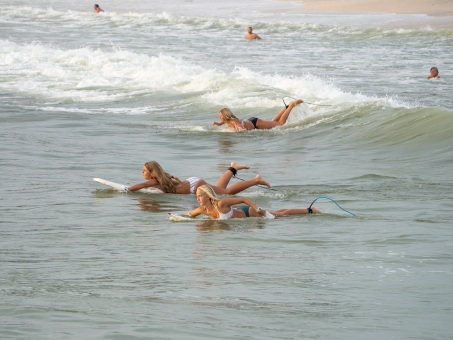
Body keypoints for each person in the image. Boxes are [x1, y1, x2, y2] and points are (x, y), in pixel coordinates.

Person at [184, 184, 321, 220]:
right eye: (197, 197)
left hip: (249, 213)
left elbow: (243, 199)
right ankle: (309, 210)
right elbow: (188, 215)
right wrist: (172, 217)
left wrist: (257, 208)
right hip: (245, 218)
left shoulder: (221, 204)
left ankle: (310, 210)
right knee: (277, 213)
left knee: (281, 216)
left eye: (200, 196)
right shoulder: (203, 210)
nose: (198, 199)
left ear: (208, 196)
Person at [127, 161, 271, 194]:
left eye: (144, 170)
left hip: (194, 187)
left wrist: (127, 189)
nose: (142, 173)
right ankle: (233, 167)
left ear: (152, 173)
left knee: (226, 193)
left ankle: (256, 180)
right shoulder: (161, 179)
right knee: (221, 189)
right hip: (192, 183)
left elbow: (141, 186)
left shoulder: (155, 181)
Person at [212, 99, 304, 131]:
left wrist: (240, 133)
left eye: (220, 116)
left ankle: (291, 105)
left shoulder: (232, 121)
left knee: (280, 123)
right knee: (274, 122)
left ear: (225, 116)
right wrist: (219, 124)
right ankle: (287, 106)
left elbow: (242, 128)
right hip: (252, 121)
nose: (219, 117)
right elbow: (229, 122)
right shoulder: (229, 120)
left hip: (256, 123)